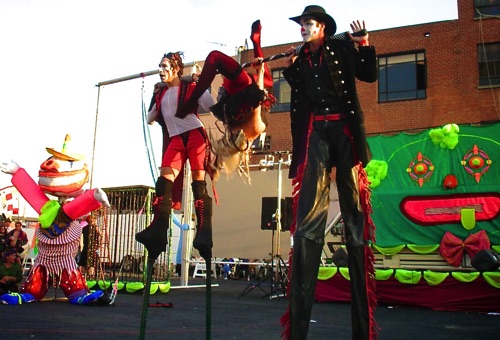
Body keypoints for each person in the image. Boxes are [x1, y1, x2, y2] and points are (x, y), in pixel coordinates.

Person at [281, 6, 378, 340]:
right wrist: (291, 64)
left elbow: (368, 74)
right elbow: (299, 91)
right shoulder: (302, 60)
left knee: (354, 216)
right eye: (301, 25)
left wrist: (364, 44)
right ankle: (297, 331)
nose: (303, 29)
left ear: (321, 26)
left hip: (345, 132)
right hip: (319, 133)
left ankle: (362, 331)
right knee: (309, 222)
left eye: (308, 24)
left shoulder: (339, 46)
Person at [135, 52, 215, 262]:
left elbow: (210, 105)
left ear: (176, 68)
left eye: (164, 67)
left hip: (195, 136)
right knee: (163, 183)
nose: (161, 71)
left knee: (198, 184)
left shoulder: (189, 87)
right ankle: (158, 230)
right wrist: (154, 95)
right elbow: (150, 118)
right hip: (176, 139)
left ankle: (204, 231)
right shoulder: (161, 94)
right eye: (159, 67)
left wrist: (201, 84)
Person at [176, 20, 276, 181]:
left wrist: (214, 168)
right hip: (244, 91)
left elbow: (258, 95)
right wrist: (260, 70)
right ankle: (256, 42)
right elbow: (257, 95)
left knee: (217, 59)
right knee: (267, 81)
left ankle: (255, 43)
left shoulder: (243, 132)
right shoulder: (250, 130)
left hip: (239, 90)